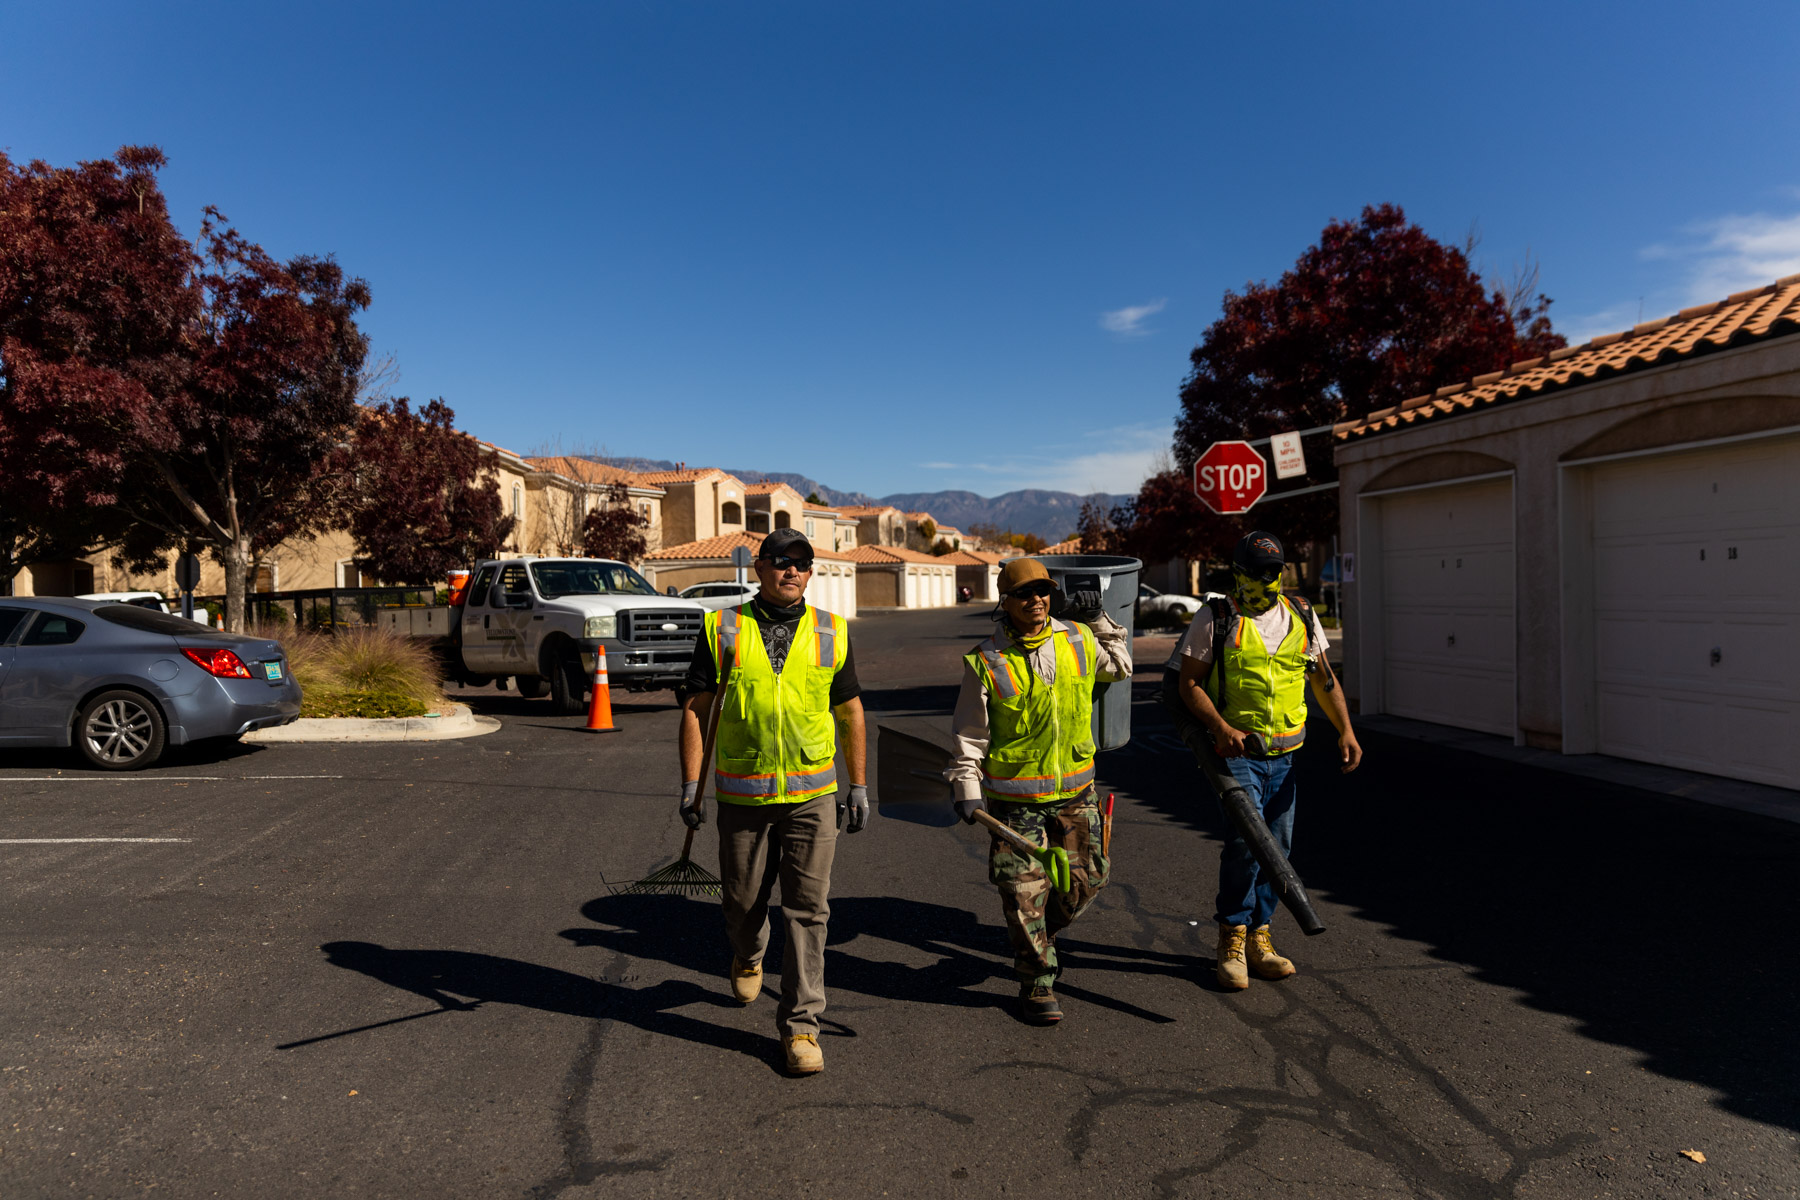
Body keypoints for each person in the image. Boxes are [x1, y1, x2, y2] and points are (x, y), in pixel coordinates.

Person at [676, 528, 867, 1075]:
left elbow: (850, 710)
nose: (792, 571)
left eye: (802, 563)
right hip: (743, 793)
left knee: (809, 911)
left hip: (813, 795)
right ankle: (748, 951)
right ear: (758, 569)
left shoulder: (832, 630)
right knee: (741, 901)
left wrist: (858, 784)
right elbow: (697, 707)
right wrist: (691, 783)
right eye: (780, 562)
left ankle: (802, 1027)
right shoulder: (722, 627)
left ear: (811, 572)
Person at [1167, 531, 1361, 991]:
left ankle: (1260, 936)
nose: (1266, 579)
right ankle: (1231, 939)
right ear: (1238, 573)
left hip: (1286, 758)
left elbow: (1324, 681)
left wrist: (1346, 731)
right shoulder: (1216, 616)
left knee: (1280, 847)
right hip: (1237, 755)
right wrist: (1221, 728)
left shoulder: (1301, 614)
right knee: (1247, 844)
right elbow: (1188, 685)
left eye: (1274, 571)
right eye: (1257, 571)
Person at [945, 558, 1132, 1024]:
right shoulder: (986, 659)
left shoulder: (1077, 639)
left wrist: (1098, 618)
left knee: (1087, 882)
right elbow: (971, 734)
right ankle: (1036, 981)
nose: (1036, 600)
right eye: (1025, 593)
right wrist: (966, 785)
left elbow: (1121, 667)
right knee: (1023, 891)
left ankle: (1037, 934)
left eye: (1043, 591)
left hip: (1076, 792)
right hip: (1015, 802)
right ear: (1004, 602)